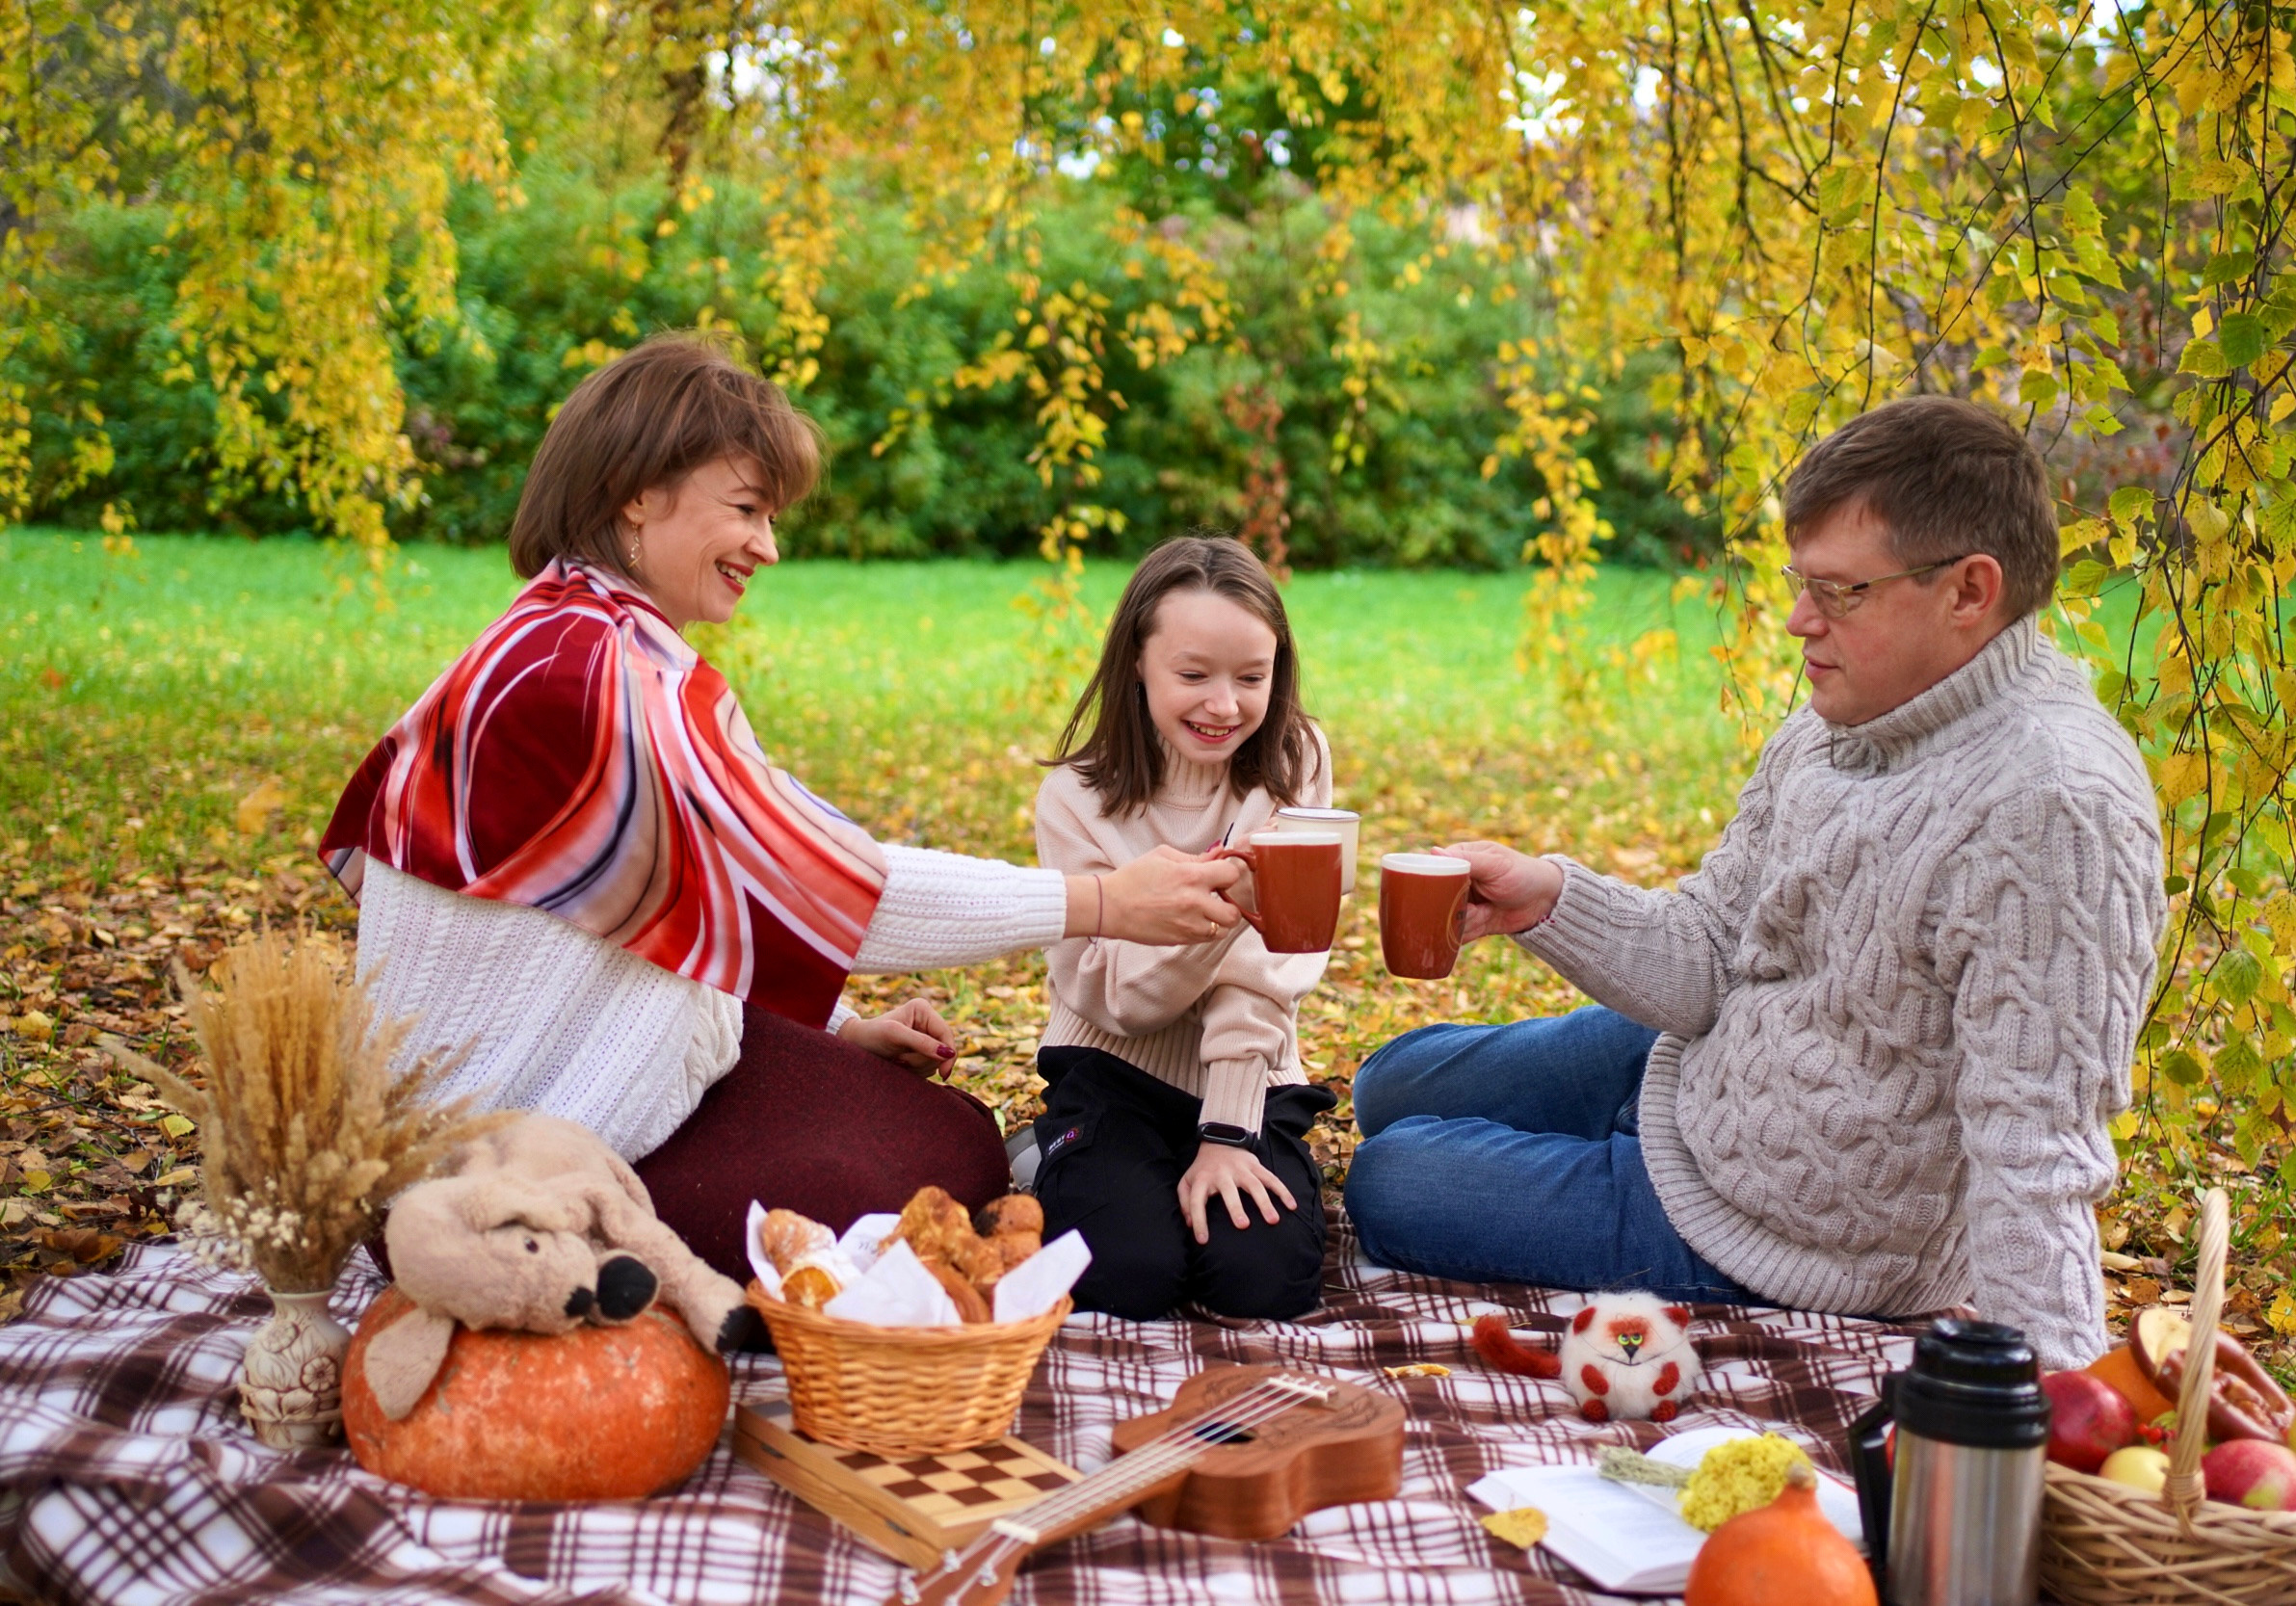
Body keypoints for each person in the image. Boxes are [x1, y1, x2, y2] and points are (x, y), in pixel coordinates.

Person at [320, 332, 1247, 1284]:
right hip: (493, 1175)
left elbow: (669, 902)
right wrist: (1102, 900)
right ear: (639, 491)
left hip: (527, 1096)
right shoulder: (594, 678)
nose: (768, 545)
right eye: (748, 509)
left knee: (944, 1130)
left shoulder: (567, 630)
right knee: (921, 1180)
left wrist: (832, 1025)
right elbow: (836, 889)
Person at [1342, 395, 2164, 1369]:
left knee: (1389, 1180)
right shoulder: (1842, 715)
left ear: (1969, 591)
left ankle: (1611, 1179)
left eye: (1839, 591)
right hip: (1714, 1065)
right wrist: (1546, 897)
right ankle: (1601, 1130)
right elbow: (1705, 951)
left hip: (1784, 1223)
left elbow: (2038, 1153)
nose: (1794, 619)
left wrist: (2061, 1417)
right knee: (1385, 1082)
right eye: (1796, 581)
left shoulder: (2054, 805)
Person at [1026, 537, 1338, 1320]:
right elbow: (1117, 1000)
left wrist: (1228, 1131)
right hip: (1112, 1065)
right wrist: (1221, 912)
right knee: (1129, 1273)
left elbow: (1277, 962)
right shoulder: (1076, 799)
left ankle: (1205, 1162)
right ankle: (1058, 1155)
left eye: (1251, 677)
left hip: (1249, 1069)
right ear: (1138, 660)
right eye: (1193, 674)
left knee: (1261, 1279)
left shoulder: (1293, 762)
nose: (1223, 704)